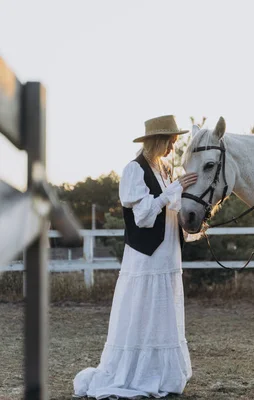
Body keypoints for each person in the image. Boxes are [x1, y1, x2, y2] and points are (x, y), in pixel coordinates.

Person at [74, 115, 198, 399]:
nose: (172, 148)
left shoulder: (164, 168)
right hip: (146, 256)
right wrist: (173, 190)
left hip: (168, 252)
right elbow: (142, 216)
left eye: (174, 142)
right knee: (143, 310)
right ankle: (135, 373)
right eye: (169, 142)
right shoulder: (134, 170)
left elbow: (171, 207)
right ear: (158, 141)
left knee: (163, 312)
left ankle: (162, 375)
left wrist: (187, 208)